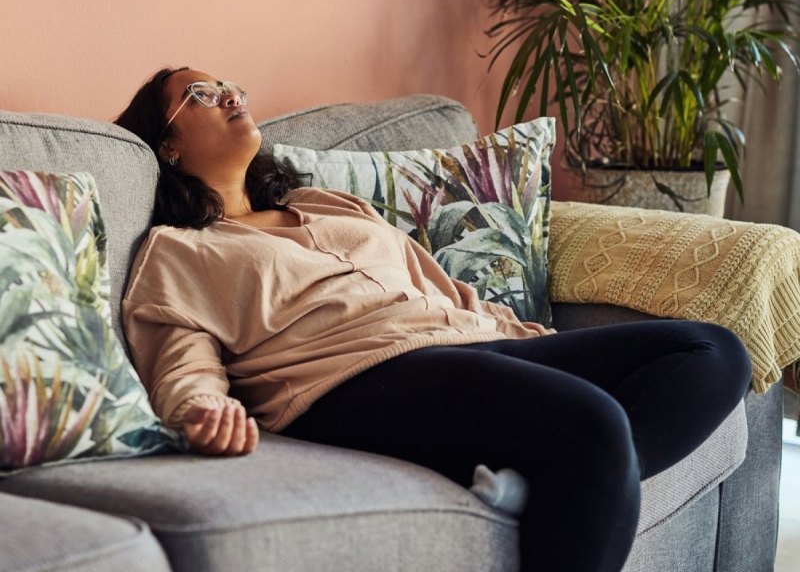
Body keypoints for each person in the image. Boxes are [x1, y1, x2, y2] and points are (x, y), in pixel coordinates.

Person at [114, 67, 752, 572]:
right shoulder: (179, 249)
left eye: (229, 85)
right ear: (167, 144)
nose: (228, 94)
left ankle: (553, 484)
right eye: (201, 94)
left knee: (713, 351)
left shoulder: (326, 204)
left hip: (462, 344)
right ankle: (572, 475)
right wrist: (201, 413)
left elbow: (446, 292)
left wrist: (538, 345)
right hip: (355, 380)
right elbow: (181, 362)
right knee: (594, 424)